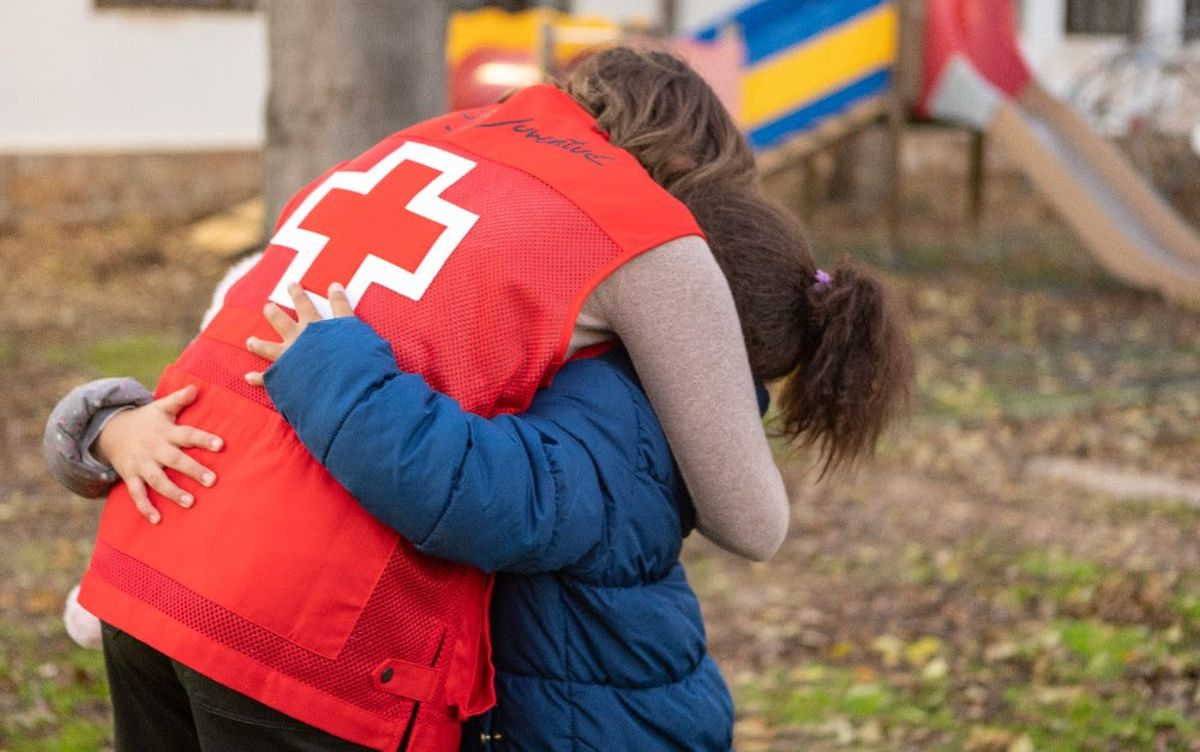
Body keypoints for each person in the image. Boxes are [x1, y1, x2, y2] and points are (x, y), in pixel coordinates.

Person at [46, 48, 912, 750]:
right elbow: (752, 521)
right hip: (305, 615)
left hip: (153, 542)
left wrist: (101, 426)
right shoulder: (645, 231)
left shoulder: (422, 143)